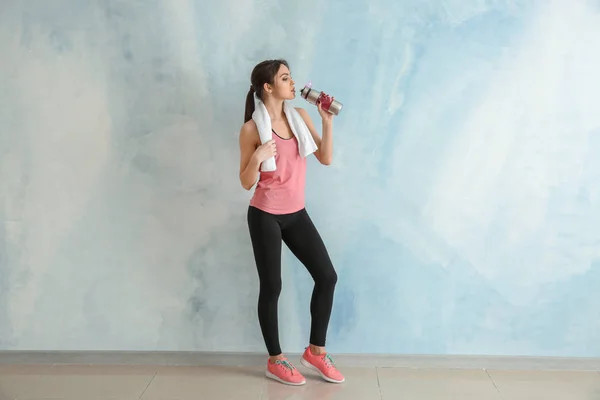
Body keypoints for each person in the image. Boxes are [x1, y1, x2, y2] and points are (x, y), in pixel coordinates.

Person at [238, 59, 345, 386]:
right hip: (265, 214)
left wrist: (326, 122)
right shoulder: (251, 130)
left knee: (327, 277)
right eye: (285, 77)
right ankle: (276, 359)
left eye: (290, 76)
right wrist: (257, 157)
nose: (292, 82)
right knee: (273, 287)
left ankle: (315, 350)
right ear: (268, 87)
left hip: (296, 213)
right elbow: (245, 181)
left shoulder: (299, 116)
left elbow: (325, 158)